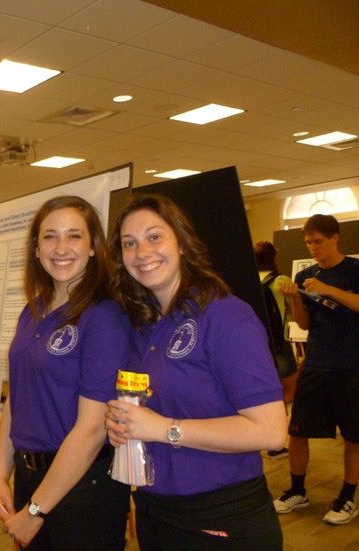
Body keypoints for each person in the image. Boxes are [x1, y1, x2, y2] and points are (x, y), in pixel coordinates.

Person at [105, 194, 286, 550]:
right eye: (129, 243)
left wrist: (163, 429)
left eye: (154, 237)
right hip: (155, 509)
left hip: (219, 516)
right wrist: (124, 424)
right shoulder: (143, 323)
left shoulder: (224, 315)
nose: (142, 252)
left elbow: (271, 431)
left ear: (183, 243)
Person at [0, 196, 132, 550]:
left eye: (74, 236)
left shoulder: (103, 316)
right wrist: (1, 472)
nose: (61, 248)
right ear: (36, 248)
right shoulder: (32, 310)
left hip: (82, 486)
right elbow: (16, 397)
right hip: (30, 476)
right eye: (50, 236)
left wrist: (35, 511)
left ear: (93, 247)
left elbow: (92, 429)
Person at [273, 213, 359, 525]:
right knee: (298, 432)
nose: (313, 247)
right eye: (309, 242)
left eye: (318, 241)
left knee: (353, 436)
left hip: (351, 366)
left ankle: (347, 497)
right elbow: (305, 323)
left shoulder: (354, 270)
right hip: (316, 364)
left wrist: (327, 289)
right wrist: (296, 300)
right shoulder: (305, 276)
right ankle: (297, 490)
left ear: (335, 237)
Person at [254, 240, 299, 460]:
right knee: (288, 391)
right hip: (279, 345)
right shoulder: (281, 281)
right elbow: (292, 315)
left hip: (256, 346)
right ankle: (276, 440)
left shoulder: (251, 280)